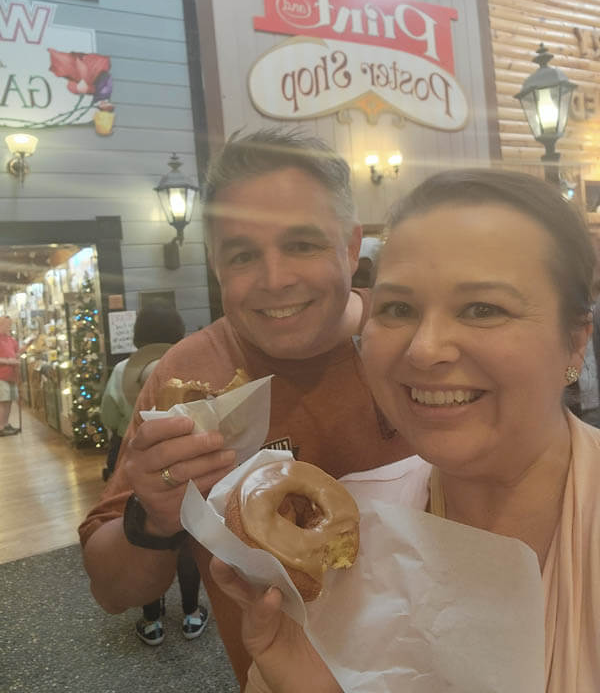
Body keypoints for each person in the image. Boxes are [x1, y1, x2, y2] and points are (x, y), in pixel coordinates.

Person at [212, 168, 600, 693]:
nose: (424, 349)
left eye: (482, 309)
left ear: (575, 341)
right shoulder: (341, 541)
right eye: (398, 308)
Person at [78, 128, 412, 687]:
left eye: (302, 244)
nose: (275, 279)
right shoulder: (186, 381)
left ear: (351, 247)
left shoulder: (416, 342)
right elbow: (114, 591)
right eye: (243, 255)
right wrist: (154, 517)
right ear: (215, 263)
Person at [99, 305, 207, 645]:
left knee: (142, 531)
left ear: (138, 335)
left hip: (130, 457)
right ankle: (191, 613)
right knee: (186, 532)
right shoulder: (188, 367)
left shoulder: (122, 371)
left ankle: (152, 620)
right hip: (182, 456)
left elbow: (108, 415)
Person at [0, 315, 20, 437]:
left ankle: (5, 424)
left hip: (12, 375)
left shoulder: (10, 339)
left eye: (9, 324)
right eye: (6, 324)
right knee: (3, 401)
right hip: (1, 375)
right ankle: (1, 427)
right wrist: (8, 361)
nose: (8, 326)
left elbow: (16, 353)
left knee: (9, 401)